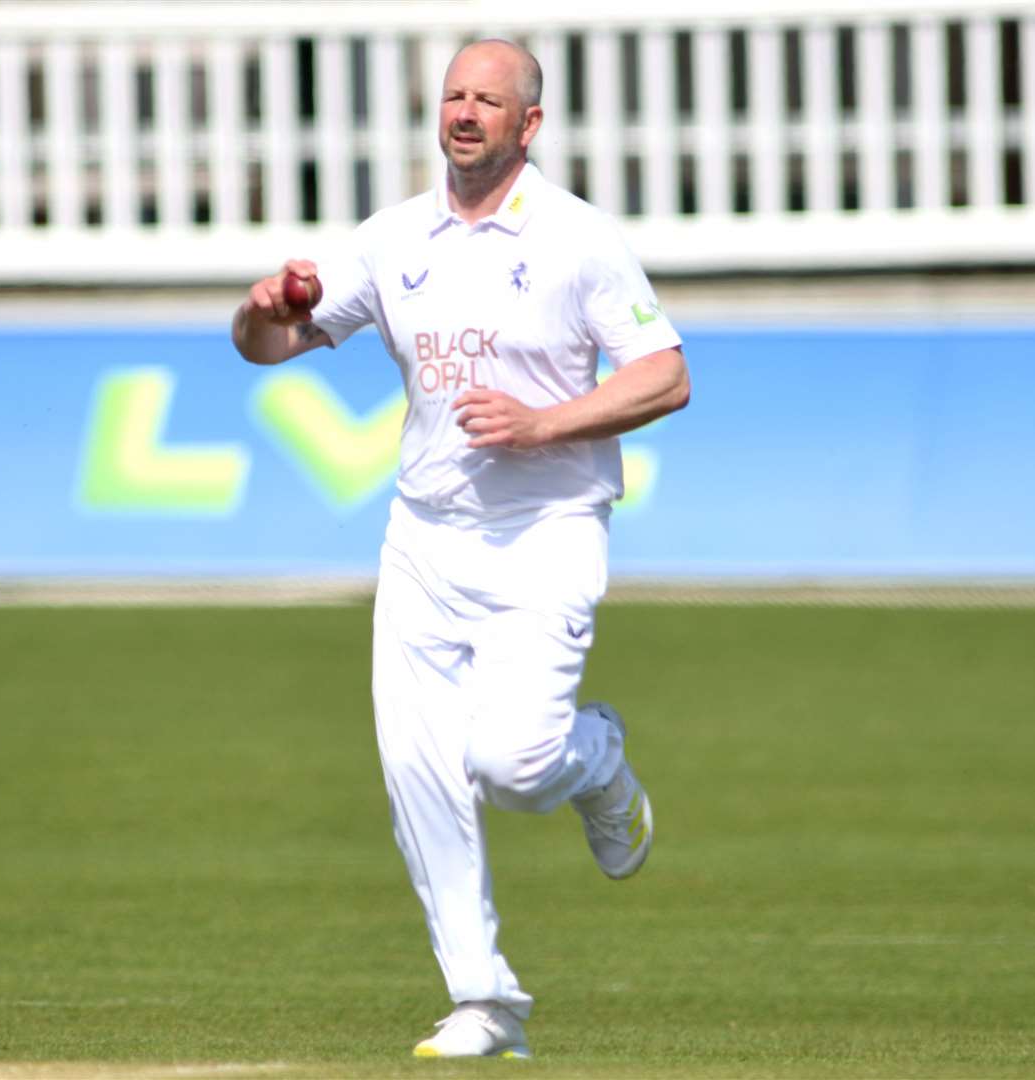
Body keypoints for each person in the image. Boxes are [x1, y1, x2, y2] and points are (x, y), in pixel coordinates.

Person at [232, 38, 690, 1059]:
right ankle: (483, 1002)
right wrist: (263, 314)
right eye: (453, 95)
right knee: (419, 769)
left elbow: (663, 375)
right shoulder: (395, 238)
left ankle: (599, 758)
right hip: (423, 538)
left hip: (545, 532)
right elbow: (270, 345)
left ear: (528, 125)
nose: (465, 112)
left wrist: (544, 423)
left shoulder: (578, 238)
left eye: (489, 99)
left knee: (515, 762)